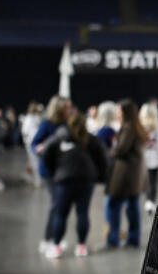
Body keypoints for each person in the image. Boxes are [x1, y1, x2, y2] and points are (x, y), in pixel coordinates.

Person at [40, 110, 108, 258]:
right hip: (86, 181)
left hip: (64, 182)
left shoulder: (59, 136)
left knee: (61, 214)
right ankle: (81, 247)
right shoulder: (90, 138)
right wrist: (100, 177)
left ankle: (56, 247)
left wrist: (54, 171)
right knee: (82, 213)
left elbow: (45, 152)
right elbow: (103, 158)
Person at [31, 95, 70, 255]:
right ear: (59, 108)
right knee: (55, 205)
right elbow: (34, 144)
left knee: (60, 206)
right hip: (49, 171)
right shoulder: (47, 124)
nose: (70, 110)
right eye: (67, 107)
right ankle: (47, 240)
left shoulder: (66, 124)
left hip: (62, 170)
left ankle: (55, 238)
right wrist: (42, 149)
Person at [105, 99, 146, 249]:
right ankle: (132, 239)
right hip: (132, 174)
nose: (117, 113)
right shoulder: (134, 126)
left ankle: (113, 239)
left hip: (124, 174)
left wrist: (109, 151)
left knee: (113, 205)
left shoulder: (128, 128)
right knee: (132, 207)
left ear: (124, 112)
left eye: (118, 110)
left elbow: (121, 149)